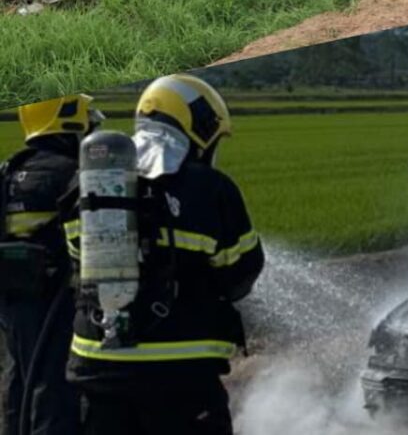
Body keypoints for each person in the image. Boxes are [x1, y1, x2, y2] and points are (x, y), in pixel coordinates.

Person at [62, 75, 264, 435]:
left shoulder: (86, 183)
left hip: (98, 367)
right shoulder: (210, 189)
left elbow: (76, 257)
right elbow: (241, 275)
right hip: (181, 372)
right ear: (199, 127)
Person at [1, 95, 103, 435]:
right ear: (68, 123)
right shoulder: (73, 173)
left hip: (14, 305)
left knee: (19, 380)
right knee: (56, 387)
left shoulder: (9, 171)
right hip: (60, 301)